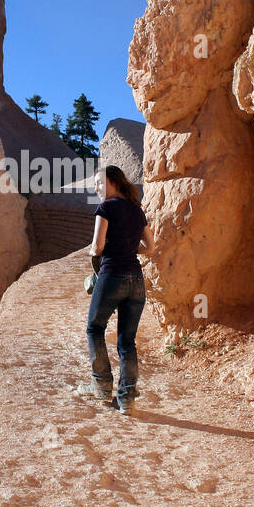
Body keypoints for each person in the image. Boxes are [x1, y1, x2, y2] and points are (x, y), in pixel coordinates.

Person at [78, 164, 154, 415]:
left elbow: (98, 246)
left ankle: (100, 385)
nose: (97, 188)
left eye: (100, 183)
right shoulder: (136, 210)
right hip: (136, 279)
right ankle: (127, 399)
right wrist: (131, 250)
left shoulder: (106, 208)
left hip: (112, 276)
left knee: (94, 327)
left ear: (114, 182)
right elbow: (151, 247)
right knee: (127, 341)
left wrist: (93, 251)